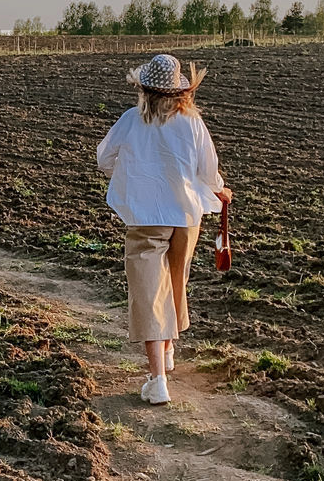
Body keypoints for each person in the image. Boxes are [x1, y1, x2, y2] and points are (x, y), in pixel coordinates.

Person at [97, 53, 232, 405]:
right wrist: (220, 189)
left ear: (144, 89)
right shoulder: (192, 122)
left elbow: (103, 160)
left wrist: (132, 173)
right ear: (180, 92)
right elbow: (208, 170)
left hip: (145, 217)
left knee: (148, 292)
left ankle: (157, 380)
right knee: (176, 281)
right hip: (187, 215)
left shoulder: (130, 121)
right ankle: (169, 352)